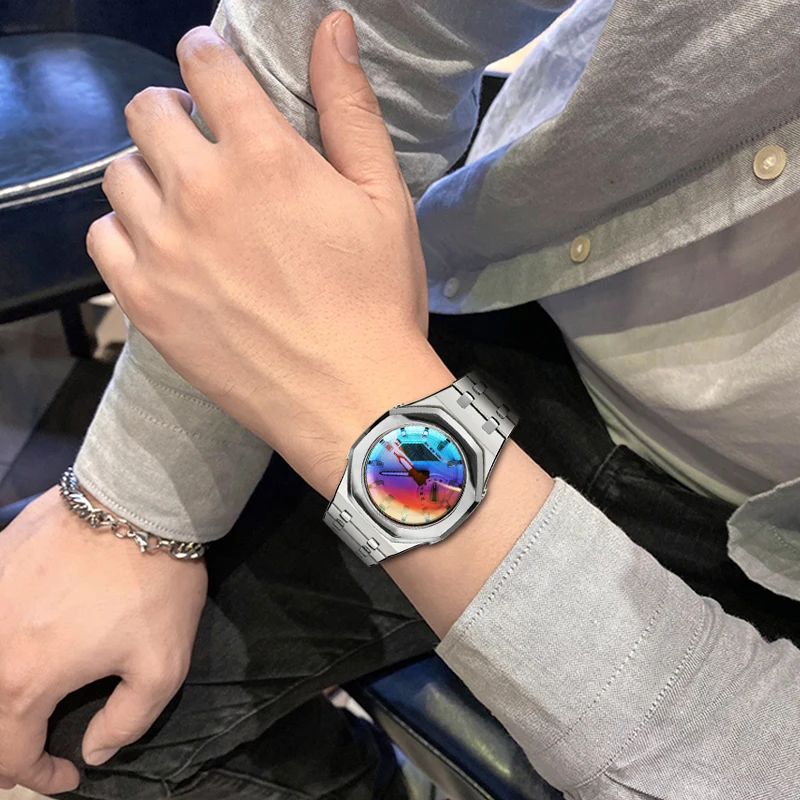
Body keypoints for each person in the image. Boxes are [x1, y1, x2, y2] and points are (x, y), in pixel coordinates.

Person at [1, 3, 799, 800]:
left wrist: (362, 401)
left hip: (753, 556)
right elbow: (354, 31)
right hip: (501, 278)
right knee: (69, 708)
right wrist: (130, 507)